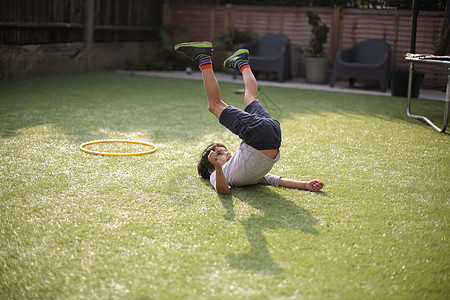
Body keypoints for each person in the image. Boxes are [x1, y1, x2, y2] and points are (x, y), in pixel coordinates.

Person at [174, 41, 324, 194]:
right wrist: (305, 184)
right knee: (219, 104)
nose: (226, 153)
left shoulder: (238, 169)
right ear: (211, 168)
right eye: (219, 154)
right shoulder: (218, 174)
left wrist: (220, 165)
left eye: (223, 150)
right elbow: (225, 190)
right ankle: (215, 59)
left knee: (244, 100)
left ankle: (239, 62)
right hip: (266, 134)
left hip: (266, 135)